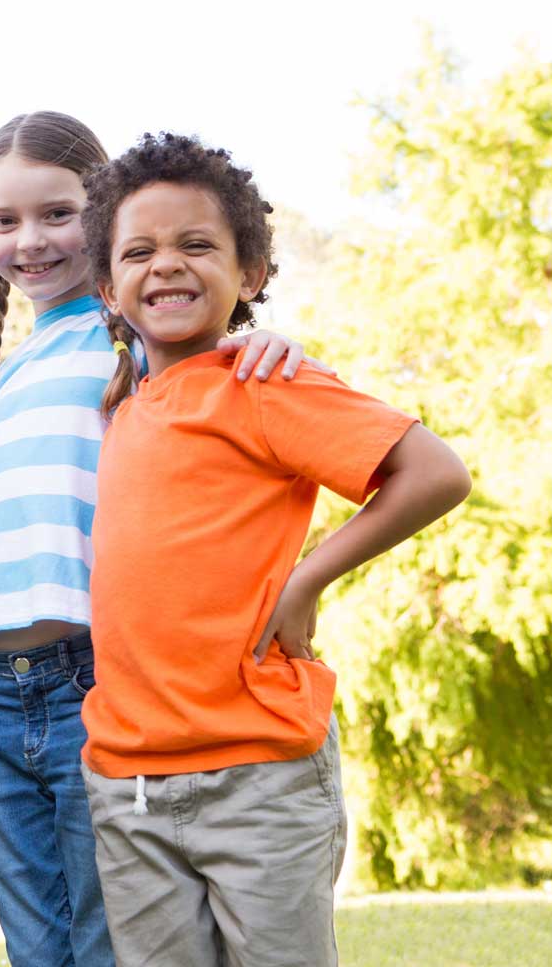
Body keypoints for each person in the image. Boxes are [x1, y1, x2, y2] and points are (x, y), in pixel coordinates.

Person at [80, 131, 471, 967]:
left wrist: (308, 577)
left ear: (250, 273)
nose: (167, 266)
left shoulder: (264, 380)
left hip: (258, 772)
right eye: (140, 251)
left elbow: (434, 472)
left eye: (197, 245)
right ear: (109, 288)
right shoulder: (127, 405)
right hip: (130, 782)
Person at [0, 111, 312, 966]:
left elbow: (211, 365)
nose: (30, 241)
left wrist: (259, 337)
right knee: (34, 940)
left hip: (94, 681)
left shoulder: (133, 344)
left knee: (106, 931)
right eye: (5, 221)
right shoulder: (16, 367)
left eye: (57, 214)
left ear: (107, 221)